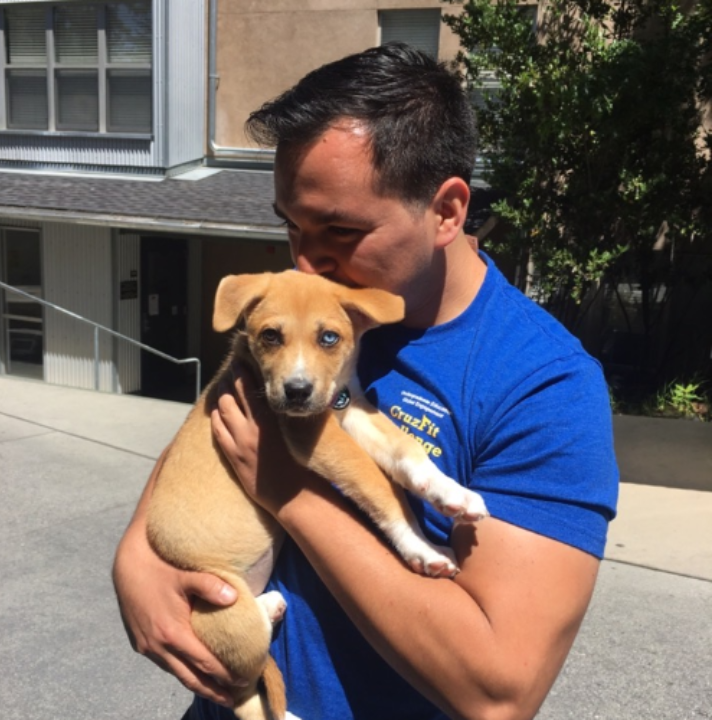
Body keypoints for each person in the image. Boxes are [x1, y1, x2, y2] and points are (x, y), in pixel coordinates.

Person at [113, 43, 618, 720]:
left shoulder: (544, 388)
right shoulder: (304, 313)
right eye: (290, 224)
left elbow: (498, 690)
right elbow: (214, 427)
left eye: (339, 230)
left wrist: (292, 492)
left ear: (447, 211)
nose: (306, 261)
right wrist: (134, 558)